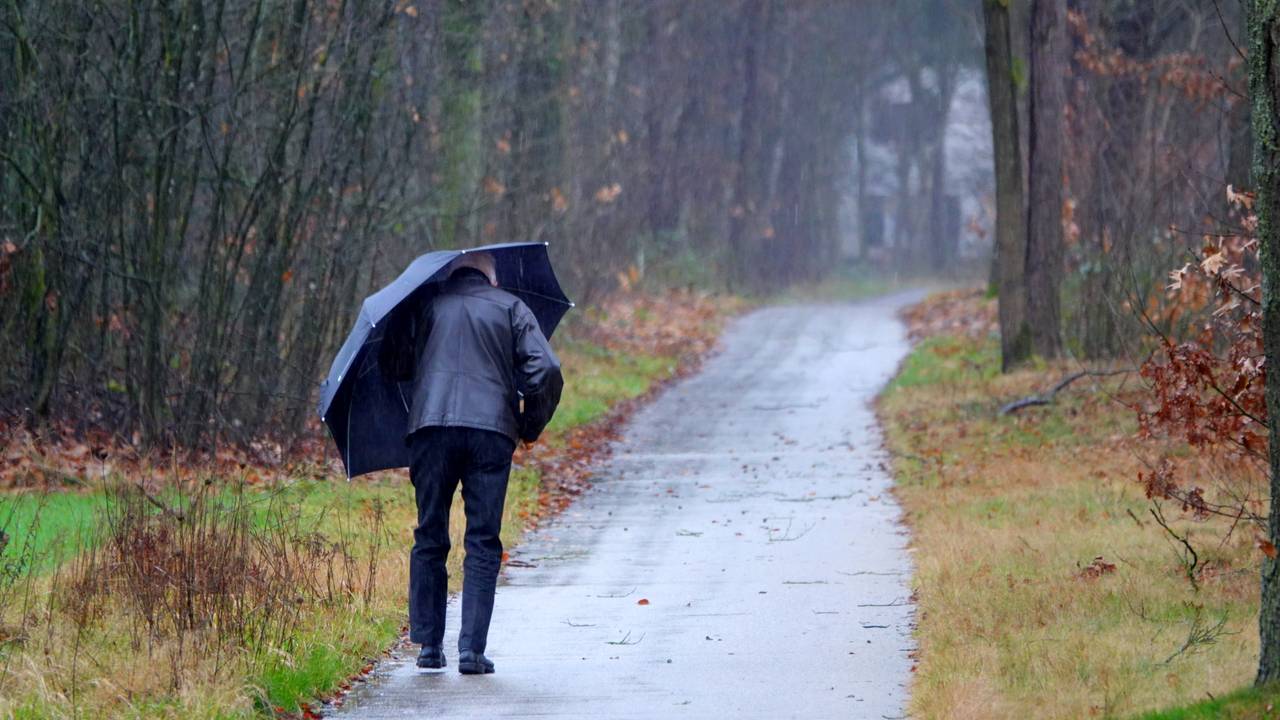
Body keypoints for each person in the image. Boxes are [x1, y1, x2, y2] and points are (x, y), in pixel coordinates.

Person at [392, 251, 563, 675]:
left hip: (431, 430)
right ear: (492, 278)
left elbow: (396, 365)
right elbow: (547, 368)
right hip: (491, 432)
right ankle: (471, 651)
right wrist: (529, 424)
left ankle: (429, 647)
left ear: (451, 275)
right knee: (483, 539)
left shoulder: (426, 305)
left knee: (429, 533)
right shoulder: (511, 307)